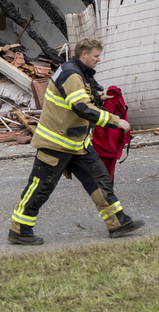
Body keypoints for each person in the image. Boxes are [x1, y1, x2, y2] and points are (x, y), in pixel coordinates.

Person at [9, 38, 144, 245]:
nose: (99, 60)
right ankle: (19, 230)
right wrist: (115, 121)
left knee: (100, 181)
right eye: (96, 56)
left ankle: (118, 222)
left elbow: (82, 98)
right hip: (56, 143)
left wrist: (99, 98)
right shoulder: (72, 74)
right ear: (84, 55)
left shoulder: (77, 71)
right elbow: (81, 107)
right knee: (40, 187)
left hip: (76, 143)